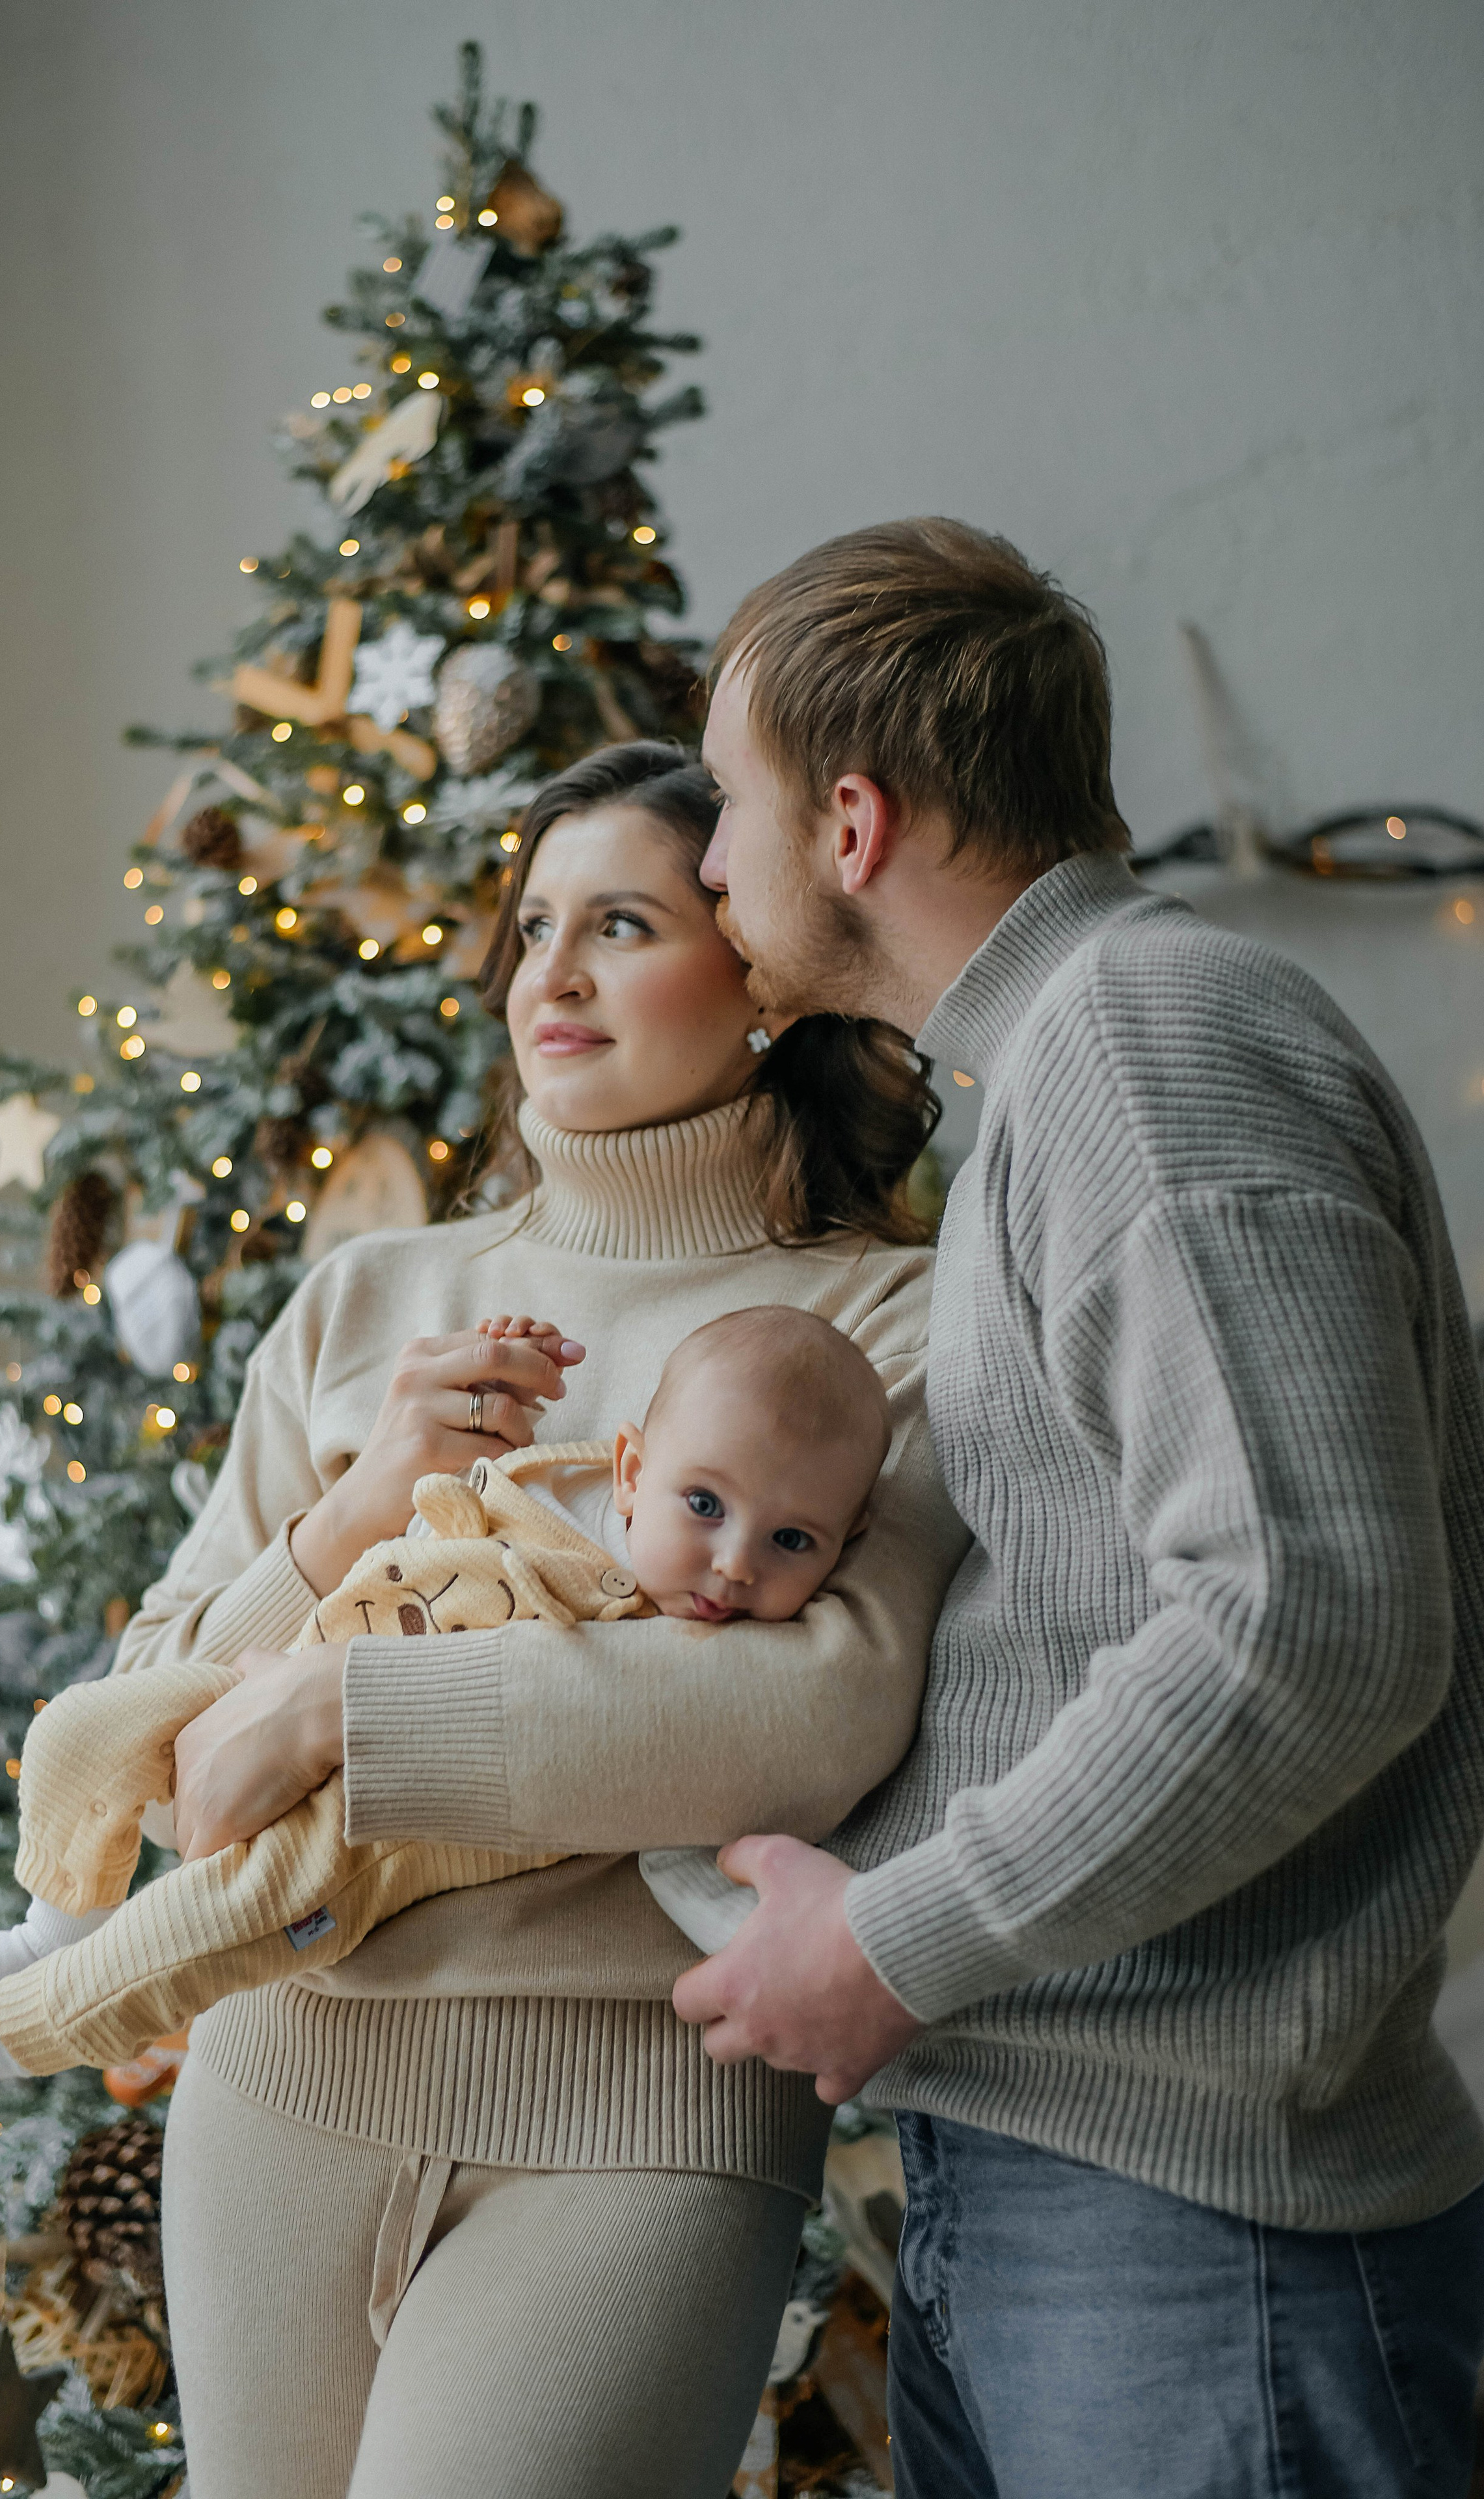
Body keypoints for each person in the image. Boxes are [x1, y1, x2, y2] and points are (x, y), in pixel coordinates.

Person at [676, 517, 1484, 2498]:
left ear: (851, 822)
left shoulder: (1146, 1045)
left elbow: (1314, 1617)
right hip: (1064, 2201)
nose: (705, 866)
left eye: (726, 806)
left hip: (1204, 2253)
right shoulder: (1062, 1066)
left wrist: (894, 1941)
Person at [91, 741, 970, 2499]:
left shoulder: (895, 1322)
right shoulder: (374, 1296)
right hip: (281, 2088)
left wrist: (348, 1707)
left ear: (761, 976)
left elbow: (811, 1717)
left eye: (622, 923)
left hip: (646, 2120)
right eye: (532, 926)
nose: (547, 977)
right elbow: (157, 1713)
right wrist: (355, 1506)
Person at [0, 1305, 890, 2085]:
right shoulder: (560, 1482)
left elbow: (697, 1817)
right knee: (80, 1728)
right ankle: (51, 1930)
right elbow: (446, 1506)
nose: (735, 1566)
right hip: (289, 1660)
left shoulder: (698, 1656)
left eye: (794, 1541)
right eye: (703, 1504)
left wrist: (769, 1947)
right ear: (630, 1470)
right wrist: (359, 1516)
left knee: (207, 1924)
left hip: (384, 1830)